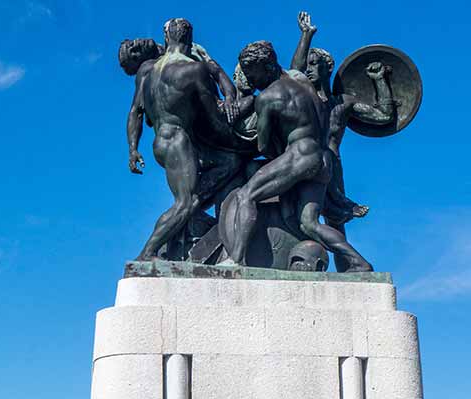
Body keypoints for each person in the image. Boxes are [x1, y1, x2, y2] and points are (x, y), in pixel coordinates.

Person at [219, 40, 373, 272]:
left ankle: (236, 259)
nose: (251, 81)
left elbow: (263, 146)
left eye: (253, 74)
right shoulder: (301, 81)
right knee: (309, 224)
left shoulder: (267, 98)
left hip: (298, 155)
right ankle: (360, 262)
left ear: (267, 66)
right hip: (322, 159)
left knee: (246, 195)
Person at [125, 18, 249, 260]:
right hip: (178, 140)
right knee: (184, 202)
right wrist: (240, 140)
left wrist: (132, 149)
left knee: (229, 163)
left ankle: (189, 216)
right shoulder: (194, 70)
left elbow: (135, 112)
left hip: (162, 142)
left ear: (167, 38)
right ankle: (147, 253)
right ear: (190, 40)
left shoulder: (147, 70)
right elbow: (214, 120)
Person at [292, 11, 396, 270]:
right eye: (309, 64)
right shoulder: (305, 97)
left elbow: (384, 115)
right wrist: (306, 35)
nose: (309, 69)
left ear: (329, 67)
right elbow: (295, 70)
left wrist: (379, 80)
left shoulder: (344, 102)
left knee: (334, 219)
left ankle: (349, 270)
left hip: (331, 163)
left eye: (315, 64)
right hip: (303, 159)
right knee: (303, 217)